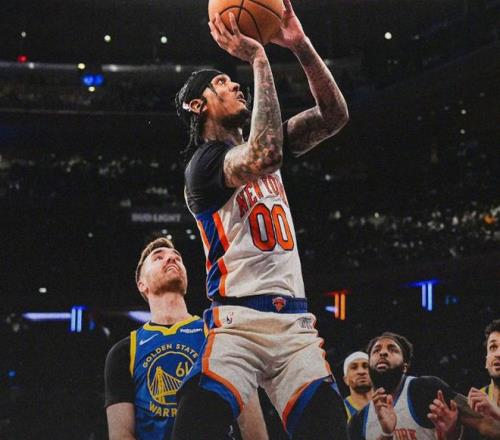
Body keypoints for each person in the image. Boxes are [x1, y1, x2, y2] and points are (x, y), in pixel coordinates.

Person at [172, 0, 349, 438]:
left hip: (295, 326)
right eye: (221, 82)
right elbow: (264, 155)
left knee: (330, 427)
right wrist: (257, 58)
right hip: (238, 322)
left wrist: (301, 45)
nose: (235, 85)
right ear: (197, 105)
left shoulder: (267, 142)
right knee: (196, 422)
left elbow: (334, 116)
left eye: (233, 79)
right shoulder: (203, 165)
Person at [104, 237, 268, 440]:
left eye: (177, 257)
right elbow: (121, 435)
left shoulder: (219, 334)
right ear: (142, 285)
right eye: (158, 257)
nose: (171, 259)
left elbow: (251, 420)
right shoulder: (124, 352)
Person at [348, 332, 464, 440]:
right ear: (369, 366)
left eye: (392, 350)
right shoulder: (358, 421)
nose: (383, 353)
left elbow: (475, 419)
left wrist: (454, 435)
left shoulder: (425, 388)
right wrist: (386, 434)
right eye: (376, 350)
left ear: (405, 366)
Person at [343, 351, 373, 421]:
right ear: (346, 380)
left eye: (366, 366)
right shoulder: (340, 411)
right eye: (354, 367)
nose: (361, 371)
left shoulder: (389, 402)